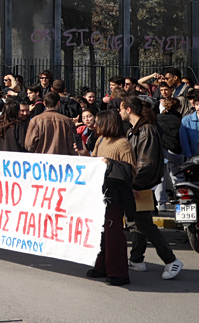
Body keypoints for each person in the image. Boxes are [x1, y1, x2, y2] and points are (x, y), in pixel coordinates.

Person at [121, 97, 183, 280]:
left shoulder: (145, 131)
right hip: (139, 185)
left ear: (129, 110)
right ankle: (137, 259)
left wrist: (133, 185)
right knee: (138, 223)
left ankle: (171, 260)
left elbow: (145, 164)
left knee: (144, 224)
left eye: (121, 108)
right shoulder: (136, 130)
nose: (119, 112)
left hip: (141, 187)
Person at [88, 110, 136, 286]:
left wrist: (110, 163)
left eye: (98, 122)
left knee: (113, 233)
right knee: (99, 233)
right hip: (99, 193)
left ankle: (118, 272)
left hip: (115, 195)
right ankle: (101, 266)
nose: (95, 126)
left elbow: (130, 170)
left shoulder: (122, 144)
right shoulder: (100, 140)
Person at [24, 92, 83, 156]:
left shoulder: (35, 120)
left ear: (44, 103)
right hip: (62, 162)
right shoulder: (68, 121)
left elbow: (29, 146)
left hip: (41, 162)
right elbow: (73, 147)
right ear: (58, 103)